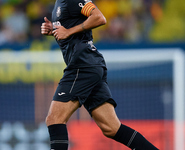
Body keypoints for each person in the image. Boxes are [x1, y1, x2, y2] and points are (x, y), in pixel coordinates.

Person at [41, 0, 159, 150]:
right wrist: (54, 30)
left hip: (82, 65)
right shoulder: (59, 3)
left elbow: (99, 17)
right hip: (90, 65)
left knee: (54, 119)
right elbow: (68, 31)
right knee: (111, 128)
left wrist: (68, 31)